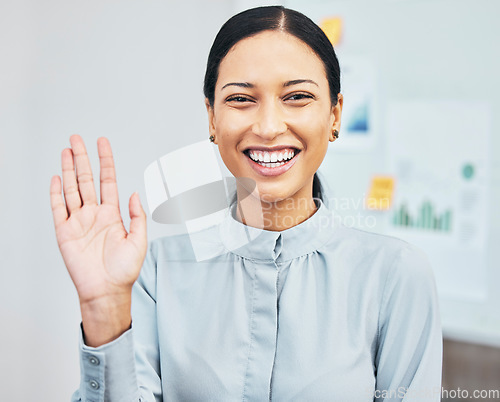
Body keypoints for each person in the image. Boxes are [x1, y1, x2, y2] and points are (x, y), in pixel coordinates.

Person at [50, 6, 442, 402]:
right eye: (241, 99)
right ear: (212, 118)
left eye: (298, 96)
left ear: (335, 114)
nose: (269, 127)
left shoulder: (395, 276)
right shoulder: (154, 274)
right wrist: (104, 310)